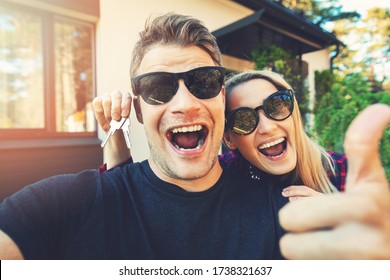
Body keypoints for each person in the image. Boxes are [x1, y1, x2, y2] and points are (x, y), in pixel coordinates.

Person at [0, 13, 286, 260]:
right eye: (158, 88)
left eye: (204, 82)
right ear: (138, 109)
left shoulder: (277, 209)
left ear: (222, 98)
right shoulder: (75, 203)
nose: (185, 104)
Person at [94, 70, 346, 201]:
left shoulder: (344, 171)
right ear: (229, 139)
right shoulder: (224, 177)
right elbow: (127, 197)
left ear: (293, 111)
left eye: (276, 106)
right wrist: (114, 128)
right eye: (244, 120)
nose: (267, 127)